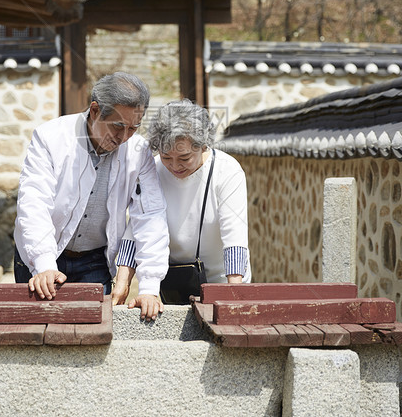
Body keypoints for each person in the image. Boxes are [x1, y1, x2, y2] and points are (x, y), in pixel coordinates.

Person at [13, 72, 169, 320]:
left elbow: (150, 216)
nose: (124, 137)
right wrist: (43, 264)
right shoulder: (51, 137)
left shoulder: (139, 151)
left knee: (94, 332)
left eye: (133, 128)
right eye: (118, 126)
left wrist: (150, 286)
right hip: (40, 253)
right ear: (95, 110)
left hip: (94, 260)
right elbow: (34, 203)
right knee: (35, 330)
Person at [113, 99, 251, 303]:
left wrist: (235, 296)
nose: (175, 166)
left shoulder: (227, 170)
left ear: (203, 145)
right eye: (167, 157)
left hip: (224, 281)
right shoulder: (154, 168)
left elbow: (235, 236)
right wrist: (122, 282)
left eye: (184, 158)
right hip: (174, 281)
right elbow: (137, 228)